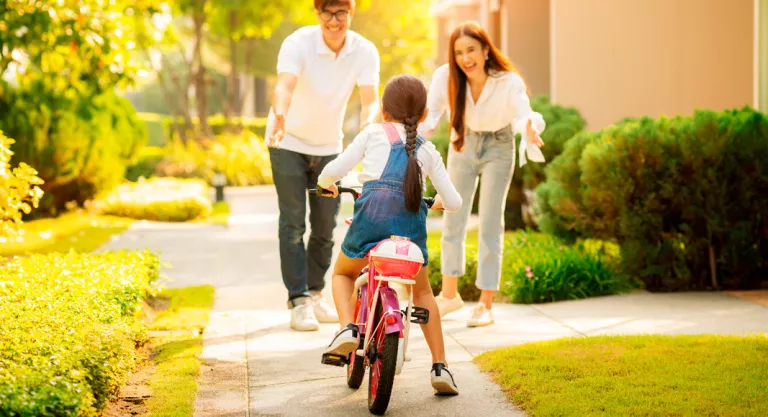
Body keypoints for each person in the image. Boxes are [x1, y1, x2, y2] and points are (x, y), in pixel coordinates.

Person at [316, 75, 462, 395]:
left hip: (370, 223)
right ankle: (441, 367)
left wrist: (326, 185)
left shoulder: (371, 135)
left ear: (383, 111)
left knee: (341, 273)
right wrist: (437, 204)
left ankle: (347, 329)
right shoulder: (428, 151)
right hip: (409, 239)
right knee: (423, 295)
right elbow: (455, 202)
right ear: (424, 116)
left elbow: (332, 171)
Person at [420, 21, 546, 328]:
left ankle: (485, 304)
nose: (465, 59)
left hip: (499, 146)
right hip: (462, 142)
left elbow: (524, 113)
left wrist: (530, 127)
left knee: (490, 221)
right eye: (459, 52)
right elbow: (432, 113)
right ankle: (449, 296)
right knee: (453, 216)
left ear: (486, 50)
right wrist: (422, 128)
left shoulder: (507, 81)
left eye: (471, 50)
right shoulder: (445, 77)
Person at [267, 0, 380, 331]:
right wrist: (281, 116)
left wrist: (367, 126)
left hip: (330, 146)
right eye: (328, 13)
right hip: (286, 141)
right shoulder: (298, 43)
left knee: (325, 226)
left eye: (341, 13)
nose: (335, 20)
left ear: (351, 14)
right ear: (318, 14)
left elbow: (371, 97)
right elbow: (284, 85)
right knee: (292, 223)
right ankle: (298, 300)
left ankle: (315, 293)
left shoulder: (364, 50)